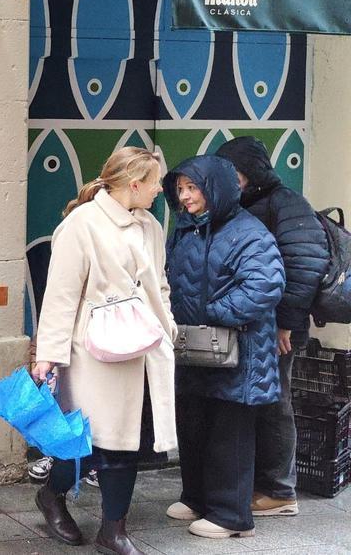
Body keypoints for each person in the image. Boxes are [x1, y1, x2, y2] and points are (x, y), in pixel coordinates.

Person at [33, 147, 178, 555]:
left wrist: (166, 323)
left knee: (125, 443)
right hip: (92, 351)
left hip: (142, 347)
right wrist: (49, 353)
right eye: (155, 183)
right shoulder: (82, 224)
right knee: (88, 443)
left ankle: (113, 530)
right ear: (135, 184)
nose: (159, 191)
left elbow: (159, 284)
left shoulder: (149, 225)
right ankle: (52, 494)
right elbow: (60, 295)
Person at [163, 155, 285, 539]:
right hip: (196, 348)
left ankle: (232, 516)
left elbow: (265, 285)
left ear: (216, 187)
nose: (185, 197)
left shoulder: (249, 232)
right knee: (194, 423)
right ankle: (197, 498)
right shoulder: (187, 228)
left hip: (238, 352)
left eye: (193, 188)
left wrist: (213, 312)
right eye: (180, 188)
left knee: (227, 433)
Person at [216, 137, 328, 517]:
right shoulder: (246, 204)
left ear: (252, 172)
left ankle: (280, 491)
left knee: (276, 403)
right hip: (255, 325)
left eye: (234, 171)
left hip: (280, 328)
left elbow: (304, 268)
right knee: (260, 403)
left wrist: (287, 326)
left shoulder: (286, 203)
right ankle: (261, 485)